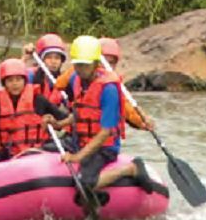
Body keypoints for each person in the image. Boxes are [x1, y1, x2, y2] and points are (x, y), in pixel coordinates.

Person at [59, 35, 162, 195]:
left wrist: (77, 157)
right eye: (77, 64)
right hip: (80, 140)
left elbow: (104, 132)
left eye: (85, 65)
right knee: (49, 147)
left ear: (95, 64)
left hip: (104, 147)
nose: (80, 69)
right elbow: (80, 111)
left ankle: (130, 169)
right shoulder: (76, 79)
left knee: (84, 184)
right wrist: (58, 124)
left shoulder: (109, 90)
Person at [0, 58, 69, 165]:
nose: (15, 84)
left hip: (37, 153)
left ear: (24, 81)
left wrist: (54, 122)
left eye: (18, 79)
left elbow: (63, 119)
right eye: (10, 80)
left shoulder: (38, 100)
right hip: (10, 155)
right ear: (4, 83)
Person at [101, 36, 156, 136]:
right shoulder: (76, 78)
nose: (106, 67)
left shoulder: (113, 88)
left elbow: (128, 109)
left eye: (111, 63)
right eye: (103, 62)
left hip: (107, 142)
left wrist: (142, 121)